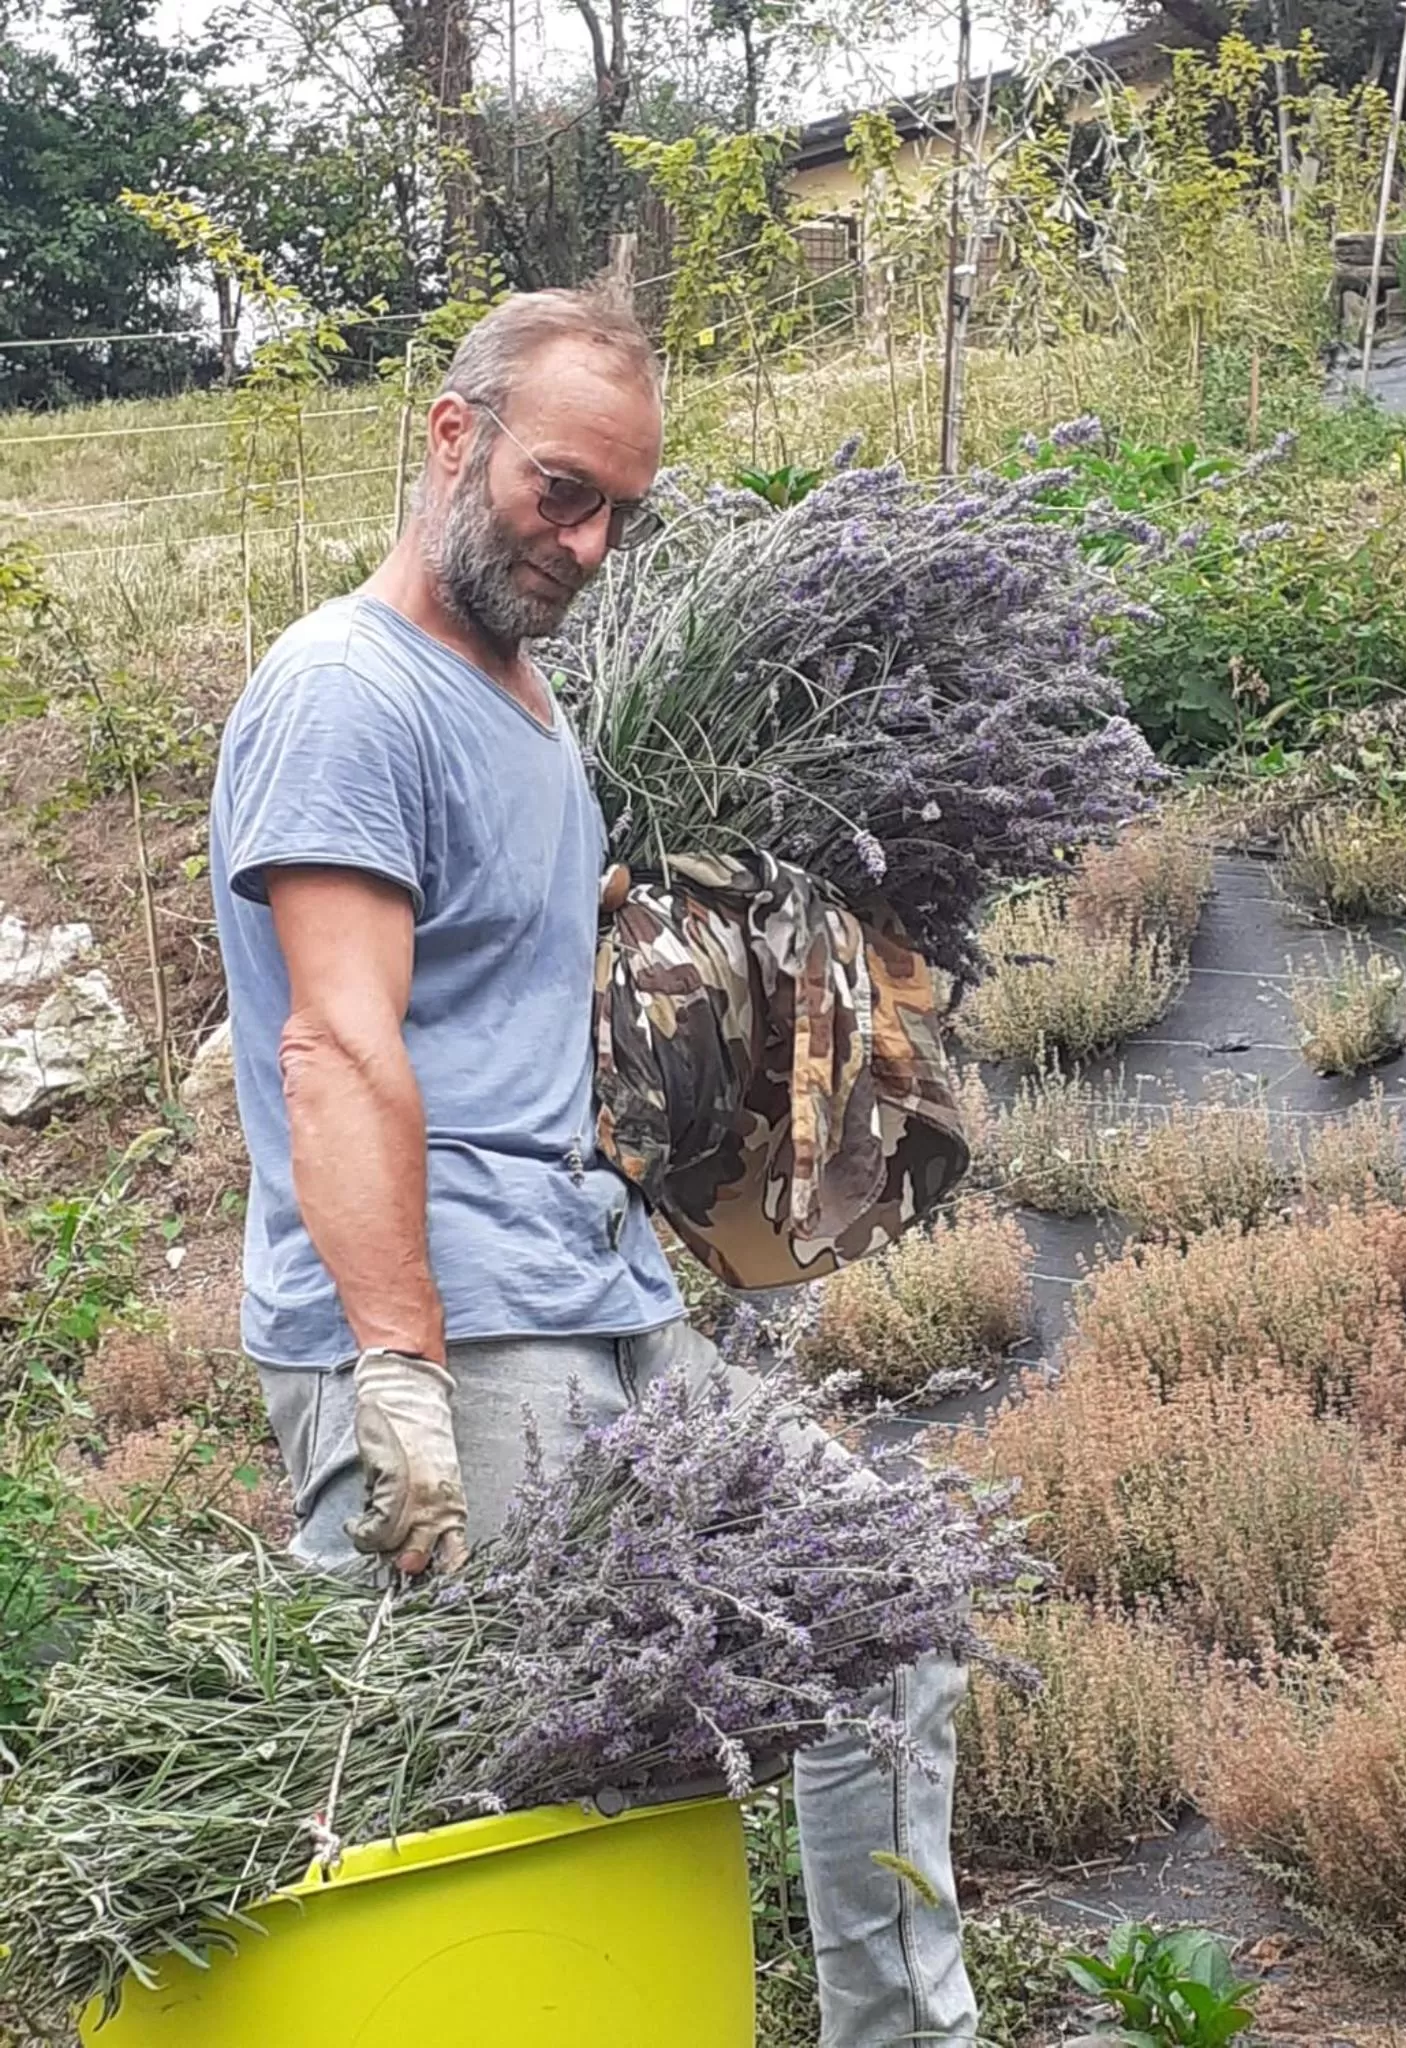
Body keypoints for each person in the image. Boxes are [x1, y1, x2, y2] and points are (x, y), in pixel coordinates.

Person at [208, 281, 977, 2048]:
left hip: (600, 1290)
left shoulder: (526, 701)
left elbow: (498, 989)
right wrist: (396, 1371)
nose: (589, 544)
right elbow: (337, 1043)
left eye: (622, 511)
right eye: (562, 493)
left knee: (889, 1608)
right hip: (462, 1321)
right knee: (530, 1778)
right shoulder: (345, 695)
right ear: (452, 436)